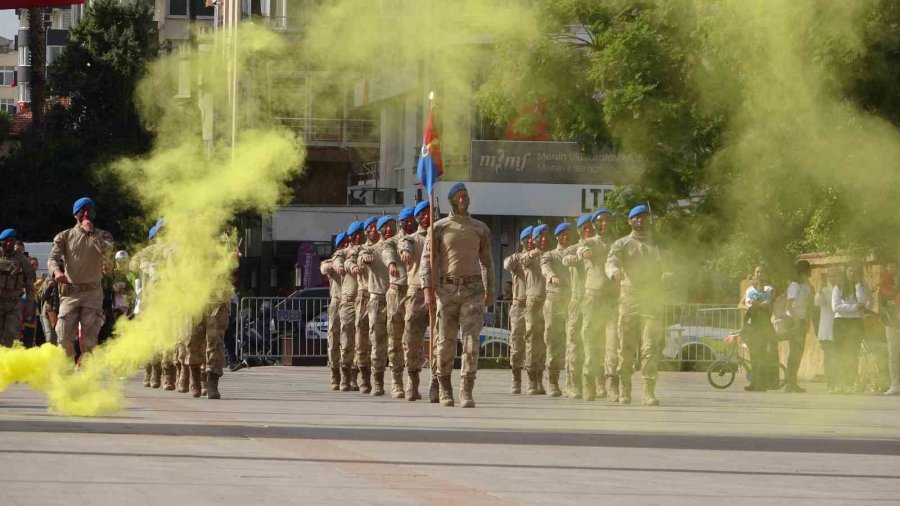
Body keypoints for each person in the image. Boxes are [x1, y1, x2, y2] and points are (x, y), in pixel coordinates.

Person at [421, 183, 494, 408]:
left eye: (466, 196)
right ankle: (444, 387)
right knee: (445, 343)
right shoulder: (439, 227)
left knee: (471, 343)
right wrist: (427, 289)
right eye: (459, 197)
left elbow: (487, 262)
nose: (463, 200)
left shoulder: (480, 228)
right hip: (446, 291)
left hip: (472, 290)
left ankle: (466, 390)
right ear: (452, 200)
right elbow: (427, 260)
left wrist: (490, 289)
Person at [605, 205, 671, 406]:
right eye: (637, 217)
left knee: (650, 348)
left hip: (652, 299)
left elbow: (669, 265)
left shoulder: (659, 245)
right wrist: (614, 271)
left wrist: (669, 274)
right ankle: (625, 389)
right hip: (629, 298)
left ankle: (648, 392)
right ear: (629, 221)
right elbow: (611, 261)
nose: (641, 221)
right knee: (626, 348)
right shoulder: (621, 243)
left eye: (645, 217)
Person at [47, 198, 114, 361]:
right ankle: (67, 370)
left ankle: (85, 375)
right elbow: (52, 258)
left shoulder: (104, 235)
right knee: (62, 337)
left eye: (89, 210)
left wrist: (92, 234)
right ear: (75, 214)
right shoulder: (64, 236)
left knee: (90, 340)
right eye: (82, 210)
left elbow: (109, 253)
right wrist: (56, 272)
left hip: (92, 293)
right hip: (70, 293)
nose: (86, 214)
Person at [359, 215, 395, 397]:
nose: (388, 230)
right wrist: (363, 259)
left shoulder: (401, 245)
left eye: (391, 226)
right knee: (377, 342)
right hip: (378, 299)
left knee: (399, 342)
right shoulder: (370, 250)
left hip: (397, 298)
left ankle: (400, 382)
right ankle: (377, 381)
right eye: (384, 227)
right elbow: (359, 260)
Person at [399, 200, 432, 401]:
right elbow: (404, 244)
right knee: (412, 338)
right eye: (423, 214)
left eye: (430, 213)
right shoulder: (411, 239)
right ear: (416, 218)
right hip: (416, 291)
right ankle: (412, 381)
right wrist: (405, 252)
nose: (427, 217)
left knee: (441, 339)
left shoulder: (440, 235)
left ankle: (437, 382)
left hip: (439, 291)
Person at [540, 222, 577, 398]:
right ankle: (553, 381)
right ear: (556, 237)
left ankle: (571, 383)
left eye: (567, 234)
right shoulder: (549, 255)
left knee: (574, 340)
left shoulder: (575, 252)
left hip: (573, 299)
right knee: (553, 340)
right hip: (554, 300)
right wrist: (552, 276)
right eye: (562, 234)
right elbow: (545, 268)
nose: (565, 237)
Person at [384, 208, 413, 398]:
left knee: (412, 339)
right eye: (405, 220)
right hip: (396, 291)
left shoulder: (421, 238)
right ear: (400, 223)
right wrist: (392, 264)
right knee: (395, 338)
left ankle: (412, 381)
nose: (409, 223)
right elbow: (388, 251)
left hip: (413, 292)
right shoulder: (392, 241)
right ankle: (396, 380)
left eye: (412, 220)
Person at [831, 262, 872, 393]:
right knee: (840, 353)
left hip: (856, 323)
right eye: (850, 271)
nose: (852, 274)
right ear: (846, 272)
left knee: (853, 354)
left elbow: (866, 302)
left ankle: (849, 383)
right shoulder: (838, 287)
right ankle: (839, 383)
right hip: (841, 323)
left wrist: (859, 285)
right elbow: (836, 307)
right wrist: (854, 308)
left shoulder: (863, 286)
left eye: (855, 271)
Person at [502, 226, 532, 394]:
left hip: (535, 305)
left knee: (534, 344)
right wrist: (520, 256)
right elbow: (507, 264)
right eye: (526, 239)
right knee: (517, 344)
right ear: (522, 242)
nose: (530, 241)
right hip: (519, 305)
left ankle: (533, 379)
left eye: (531, 238)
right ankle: (516, 378)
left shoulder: (539, 257)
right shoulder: (517, 259)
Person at [564, 215, 590, 399]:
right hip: (578, 299)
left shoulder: (603, 247)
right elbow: (566, 259)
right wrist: (581, 253)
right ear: (579, 231)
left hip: (598, 301)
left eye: (591, 226)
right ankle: (573, 384)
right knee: (574, 343)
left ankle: (596, 384)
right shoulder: (573, 249)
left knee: (595, 343)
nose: (588, 230)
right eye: (585, 228)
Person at [334, 221, 362, 391]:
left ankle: (355, 376)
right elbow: (337, 263)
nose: (359, 237)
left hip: (364, 301)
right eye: (355, 234)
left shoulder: (368, 250)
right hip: (349, 302)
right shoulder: (342, 253)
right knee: (347, 341)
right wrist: (340, 266)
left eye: (361, 233)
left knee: (362, 343)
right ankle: (344, 374)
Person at [740, 265, 777, 392]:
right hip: (751, 327)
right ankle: (754, 383)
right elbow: (741, 305)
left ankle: (762, 383)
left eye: (761, 272)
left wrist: (759, 305)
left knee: (761, 356)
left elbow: (769, 307)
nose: (759, 275)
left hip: (762, 328)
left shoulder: (768, 291)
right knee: (754, 356)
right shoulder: (750, 290)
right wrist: (751, 308)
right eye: (757, 272)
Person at [320, 232, 347, 390]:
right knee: (334, 341)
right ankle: (334, 373)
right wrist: (338, 262)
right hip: (336, 303)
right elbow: (324, 268)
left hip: (351, 302)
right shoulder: (332, 261)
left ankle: (348, 374)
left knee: (350, 341)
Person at [0, 229, 35, 348]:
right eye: (6, 241)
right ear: (1, 242)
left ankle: (7, 364)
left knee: (11, 337)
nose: (9, 244)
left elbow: (30, 284)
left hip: (15, 304)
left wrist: (29, 305)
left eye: (11, 241)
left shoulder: (22, 259)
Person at [784, 260, 813, 393]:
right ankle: (790, 383)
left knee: (799, 352)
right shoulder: (795, 285)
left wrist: (806, 321)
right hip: (793, 320)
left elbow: (807, 303)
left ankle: (793, 381)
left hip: (801, 320)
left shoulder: (806, 286)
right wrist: (796, 321)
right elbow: (789, 305)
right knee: (794, 352)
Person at [814, 267, 840, 393]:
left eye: (834, 275)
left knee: (840, 357)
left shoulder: (842, 291)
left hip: (840, 329)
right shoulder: (824, 291)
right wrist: (819, 291)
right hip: (827, 329)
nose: (832, 278)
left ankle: (840, 383)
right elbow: (818, 302)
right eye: (830, 276)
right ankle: (830, 384)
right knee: (829, 357)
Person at [879, 260, 899, 395]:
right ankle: (895, 385)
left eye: (894, 266)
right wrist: (887, 320)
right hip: (892, 325)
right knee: (893, 356)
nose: (892, 269)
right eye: (889, 266)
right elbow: (881, 307)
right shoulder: (883, 287)